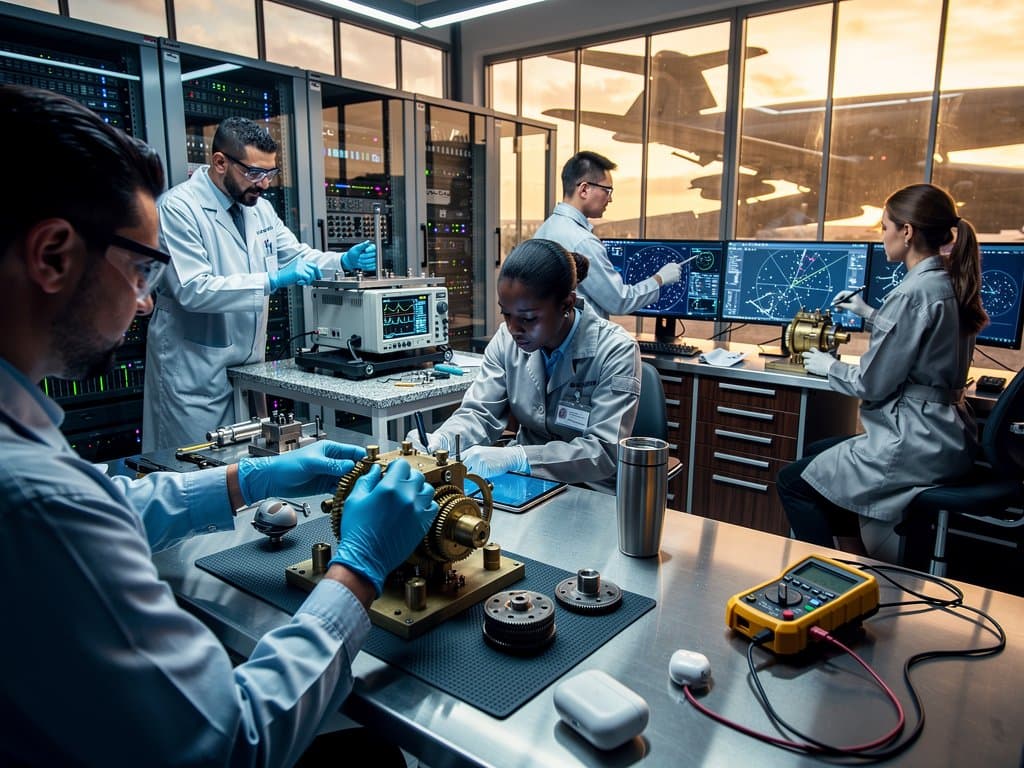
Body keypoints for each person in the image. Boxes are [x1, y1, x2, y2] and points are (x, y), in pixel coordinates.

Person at [0, 84, 438, 766]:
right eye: (141, 270)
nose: (146, 301)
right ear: (54, 255)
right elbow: (231, 742)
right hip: (194, 372)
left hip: (239, 361)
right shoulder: (32, 494)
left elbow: (102, 504)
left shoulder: (28, 448)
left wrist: (244, 479)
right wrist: (358, 570)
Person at [142, 116, 378, 451]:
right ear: (220, 162)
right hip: (193, 375)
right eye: (254, 173)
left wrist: (342, 261)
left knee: (245, 468)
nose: (264, 183)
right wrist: (271, 280)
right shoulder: (179, 209)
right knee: (194, 470)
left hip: (247, 371)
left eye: (270, 173)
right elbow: (193, 290)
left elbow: (296, 255)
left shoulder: (260, 210)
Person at [776, 183, 987, 555]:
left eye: (886, 227)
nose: (883, 235)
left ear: (907, 231)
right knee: (820, 452)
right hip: (948, 437)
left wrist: (829, 367)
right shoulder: (949, 282)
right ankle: (855, 558)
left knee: (793, 482)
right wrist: (869, 313)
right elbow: (920, 341)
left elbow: (872, 384)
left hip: (915, 442)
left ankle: (829, 579)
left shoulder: (910, 294)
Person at [409, 238, 641, 492]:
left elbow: (603, 451)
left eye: (528, 318)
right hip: (524, 482)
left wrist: (519, 458)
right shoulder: (506, 340)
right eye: (506, 314)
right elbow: (480, 413)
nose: (513, 329)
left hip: (590, 490)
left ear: (566, 305)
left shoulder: (616, 350)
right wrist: (443, 439)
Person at [533, 150, 682, 319]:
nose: (610, 199)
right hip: (579, 343)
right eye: (607, 190)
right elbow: (618, 301)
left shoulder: (545, 230)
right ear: (584, 190)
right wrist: (660, 279)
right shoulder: (583, 242)